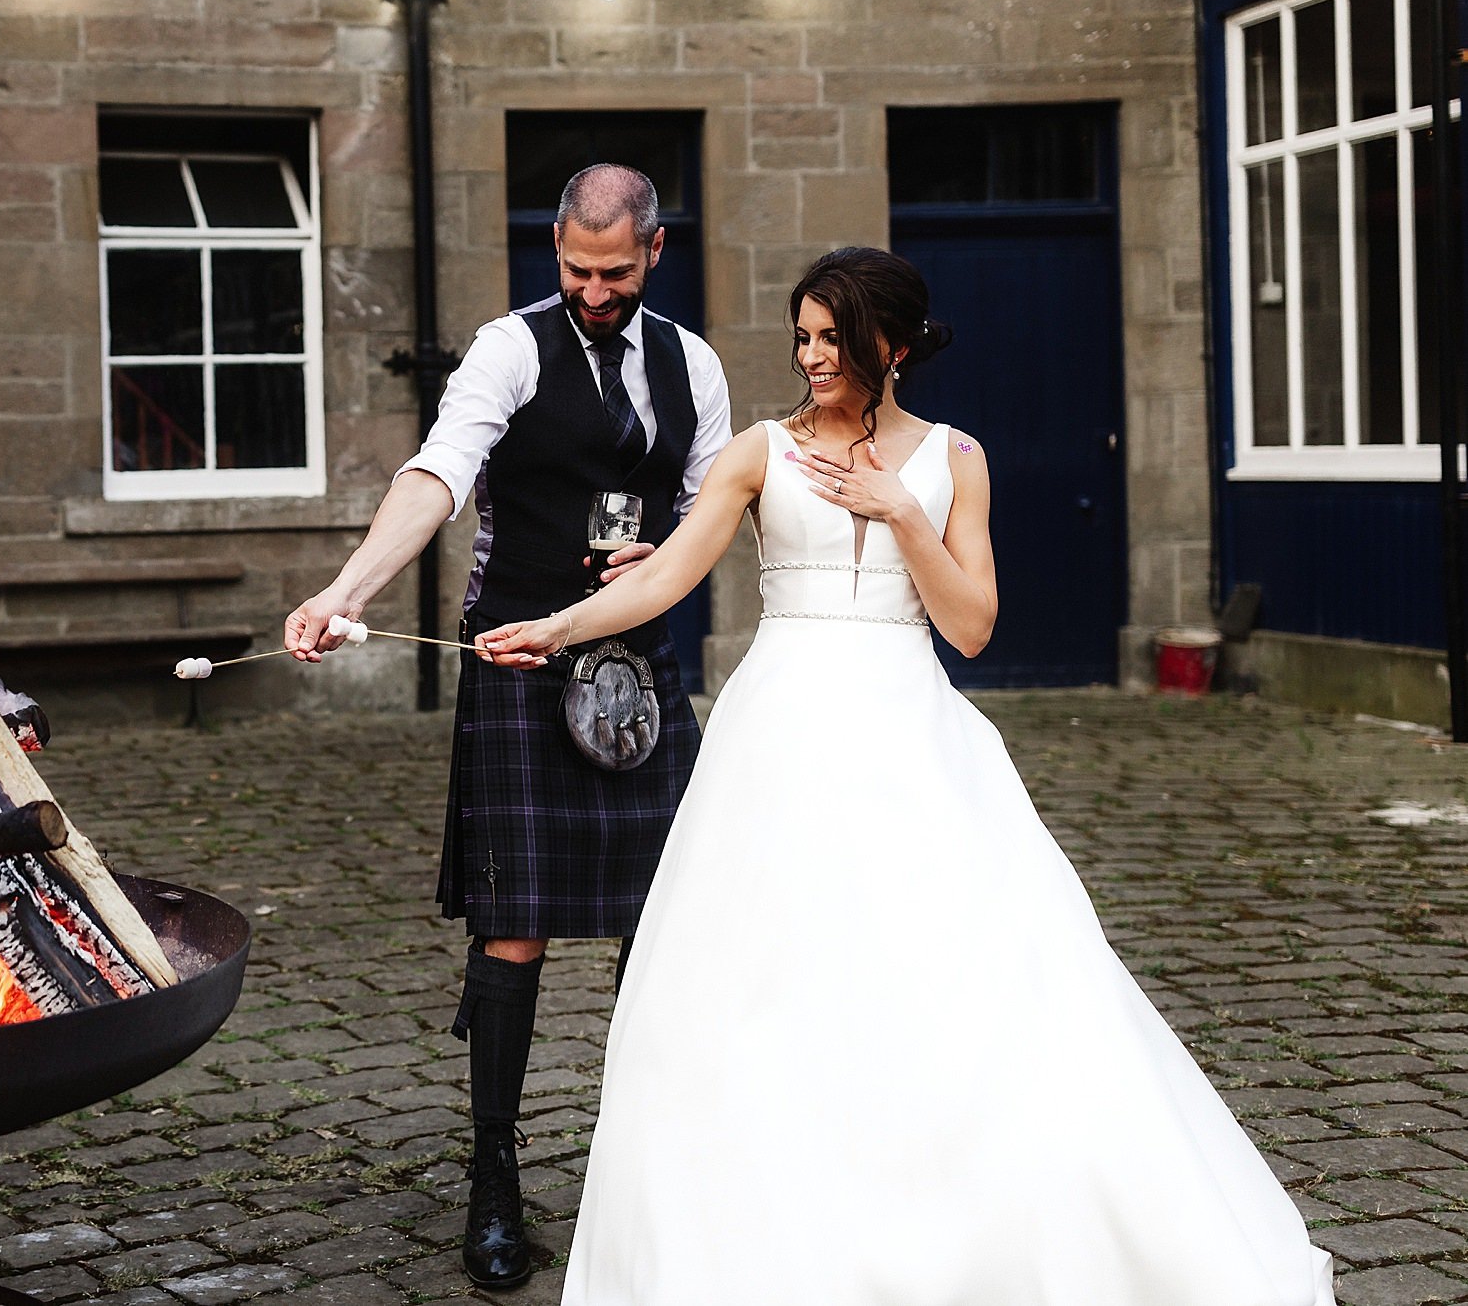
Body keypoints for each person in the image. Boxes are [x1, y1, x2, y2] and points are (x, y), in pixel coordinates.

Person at [476, 246, 1335, 1305]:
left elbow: (970, 626)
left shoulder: (955, 459)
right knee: (760, 989)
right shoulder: (760, 451)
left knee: (948, 979)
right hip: (778, 733)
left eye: (831, 336)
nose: (811, 355)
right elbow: (662, 574)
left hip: (907, 732)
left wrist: (897, 510)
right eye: (802, 336)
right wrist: (555, 627)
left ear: (889, 342)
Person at [285, 163, 731, 1289]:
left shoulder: (697, 365)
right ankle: (494, 1179)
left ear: (654, 252)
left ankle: (654, 1176)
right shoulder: (509, 348)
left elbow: (711, 506)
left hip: (638, 665)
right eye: (576, 270)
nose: (592, 291)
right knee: (513, 930)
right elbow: (437, 473)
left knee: (658, 930)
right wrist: (349, 590)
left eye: (614, 272)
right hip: (520, 666)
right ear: (557, 250)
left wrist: (665, 558)